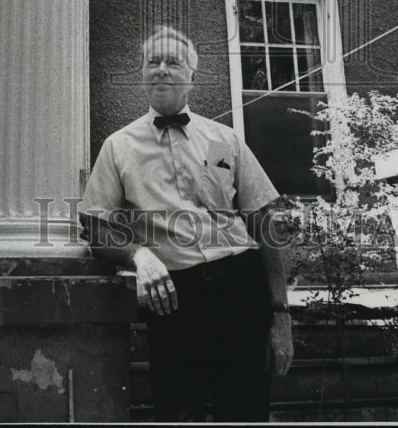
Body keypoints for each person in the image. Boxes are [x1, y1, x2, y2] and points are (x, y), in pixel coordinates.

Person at [79, 24, 293, 423]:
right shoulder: (118, 146)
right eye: (152, 62)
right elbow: (95, 227)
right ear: (142, 75)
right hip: (176, 297)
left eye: (172, 62)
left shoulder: (225, 139)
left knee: (246, 410)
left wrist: (281, 315)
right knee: (179, 412)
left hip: (241, 290)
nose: (160, 69)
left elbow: (263, 221)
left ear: (192, 76)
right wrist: (138, 255)